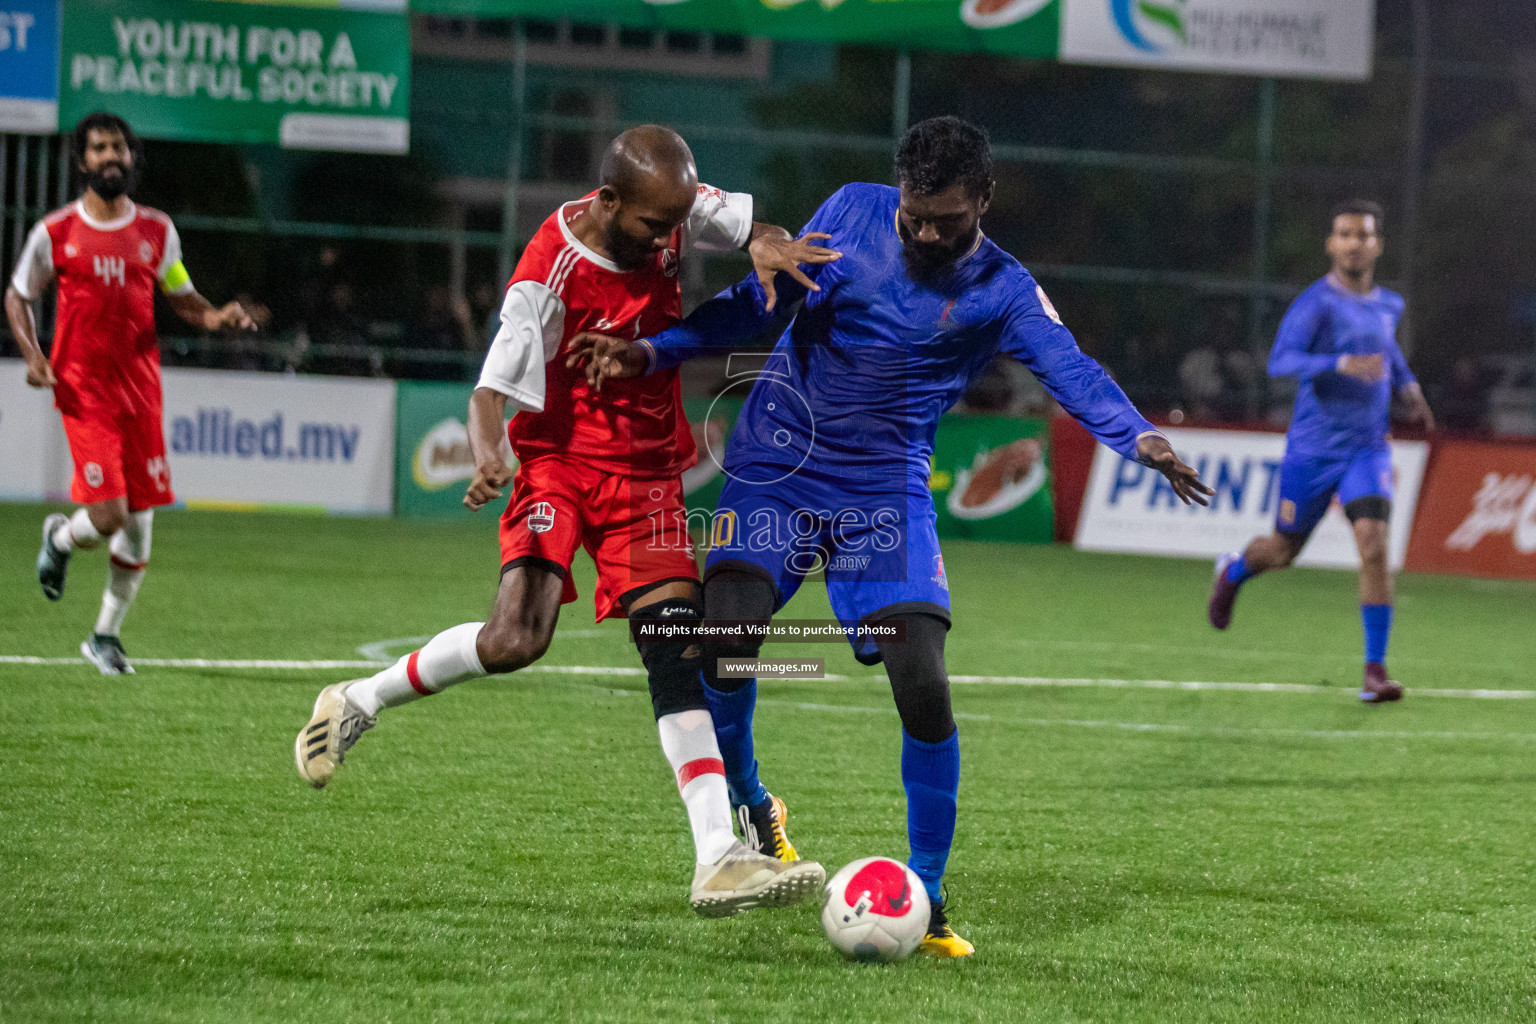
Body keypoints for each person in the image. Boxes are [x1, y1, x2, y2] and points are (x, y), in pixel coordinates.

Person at [574, 116, 1211, 956]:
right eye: (915, 213)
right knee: (726, 639)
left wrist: (1140, 439)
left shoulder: (1004, 289)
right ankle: (755, 806)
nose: (924, 229)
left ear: (984, 199)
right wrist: (653, 353)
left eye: (946, 217)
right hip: (778, 462)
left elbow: (1071, 368)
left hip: (883, 494)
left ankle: (930, 891)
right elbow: (757, 302)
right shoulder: (852, 211)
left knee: (921, 676)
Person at [295, 126, 838, 917]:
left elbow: (755, 230)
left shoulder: (673, 203)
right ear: (611, 202)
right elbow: (489, 395)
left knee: (675, 651)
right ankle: (359, 699)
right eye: (656, 226)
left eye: (678, 222)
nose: (670, 240)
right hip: (558, 463)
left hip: (648, 470)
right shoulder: (546, 277)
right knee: (517, 639)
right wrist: (489, 456)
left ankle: (718, 856)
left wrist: (770, 244)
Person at [14, 111, 255, 675]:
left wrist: (217, 317)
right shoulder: (55, 233)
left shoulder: (156, 231)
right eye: (99, 149)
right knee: (109, 514)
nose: (110, 157)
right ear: (82, 162)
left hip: (141, 394)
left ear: (131, 157)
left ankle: (104, 636)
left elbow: (182, 295)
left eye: (118, 147)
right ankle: (62, 536)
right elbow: (18, 295)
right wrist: (32, 356)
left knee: (141, 520)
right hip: (83, 390)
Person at [1207, 200, 1435, 702]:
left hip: (1367, 450)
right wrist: (1339, 363)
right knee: (1283, 552)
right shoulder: (1316, 303)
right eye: (1344, 234)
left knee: (1374, 548)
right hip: (1313, 451)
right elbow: (1280, 361)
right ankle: (1235, 571)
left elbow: (1388, 350)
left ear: (1377, 245)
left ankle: (1375, 672)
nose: (1354, 242)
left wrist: (1408, 384)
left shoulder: (1389, 304)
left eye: (1364, 235)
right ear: (1331, 244)